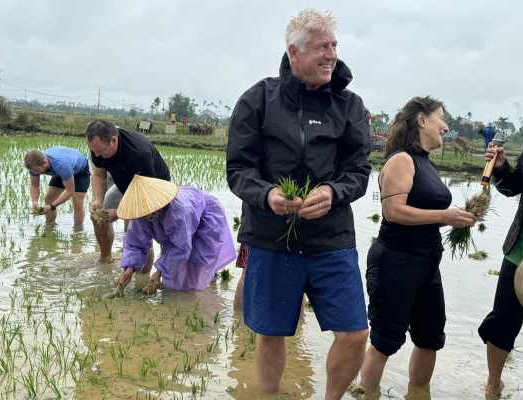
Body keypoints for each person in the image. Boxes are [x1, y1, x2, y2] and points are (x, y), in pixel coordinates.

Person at [226, 9, 371, 399]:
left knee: (355, 333)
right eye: (322, 46)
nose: (332, 55)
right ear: (295, 51)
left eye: (334, 46)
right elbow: (238, 169)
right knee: (272, 332)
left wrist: (332, 193)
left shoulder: (349, 106)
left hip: (332, 239)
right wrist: (268, 195)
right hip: (273, 239)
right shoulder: (258, 100)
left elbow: (359, 171)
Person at [359, 97, 478, 393]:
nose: (446, 126)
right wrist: (445, 215)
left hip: (426, 264)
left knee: (430, 337)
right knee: (385, 341)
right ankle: (365, 394)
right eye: (442, 118)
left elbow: (425, 214)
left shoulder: (426, 163)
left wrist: (456, 218)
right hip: (395, 262)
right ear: (422, 120)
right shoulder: (402, 159)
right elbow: (393, 211)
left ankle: (418, 394)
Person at [479, 95, 523, 400]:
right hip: (519, 252)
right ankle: (493, 383)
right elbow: (512, 188)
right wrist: (502, 165)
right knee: (502, 321)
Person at [113, 175, 236, 291]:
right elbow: (135, 243)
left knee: (195, 264)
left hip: (206, 217)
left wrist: (159, 272)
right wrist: (129, 270)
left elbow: (181, 247)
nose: (142, 215)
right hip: (183, 222)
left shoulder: (177, 211)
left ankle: (199, 291)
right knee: (173, 276)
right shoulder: (139, 214)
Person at [86, 119, 171, 263]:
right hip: (125, 184)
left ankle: (143, 277)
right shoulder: (97, 150)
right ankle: (105, 257)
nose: (97, 155)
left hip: (154, 189)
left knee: (141, 229)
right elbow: (99, 176)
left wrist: (119, 212)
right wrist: (98, 200)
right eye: (94, 151)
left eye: (99, 151)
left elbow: (145, 202)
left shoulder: (138, 153)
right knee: (98, 216)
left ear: (113, 141)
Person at [24, 147, 90, 225]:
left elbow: (70, 191)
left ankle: (78, 232)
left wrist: (51, 206)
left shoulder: (62, 166)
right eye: (32, 171)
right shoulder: (33, 167)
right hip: (63, 170)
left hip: (81, 171)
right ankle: (50, 227)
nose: (34, 173)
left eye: (36, 171)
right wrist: (35, 202)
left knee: (78, 203)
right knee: (49, 198)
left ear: (44, 163)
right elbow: (34, 186)